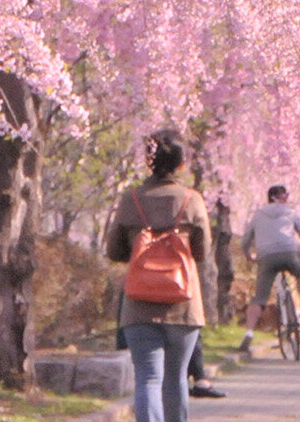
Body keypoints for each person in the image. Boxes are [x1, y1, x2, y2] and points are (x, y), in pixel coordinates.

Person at [105, 129, 210, 422]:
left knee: (148, 378)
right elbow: (202, 251)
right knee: (176, 379)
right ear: (181, 164)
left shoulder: (131, 199)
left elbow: (114, 250)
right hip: (183, 305)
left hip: (139, 305)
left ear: (148, 161)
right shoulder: (192, 200)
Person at [239, 183, 300, 355]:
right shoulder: (290, 213)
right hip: (289, 253)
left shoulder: (258, 215)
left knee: (259, 298)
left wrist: (249, 255)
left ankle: (249, 332)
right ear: (281, 198)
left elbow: (245, 242)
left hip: (266, 257)